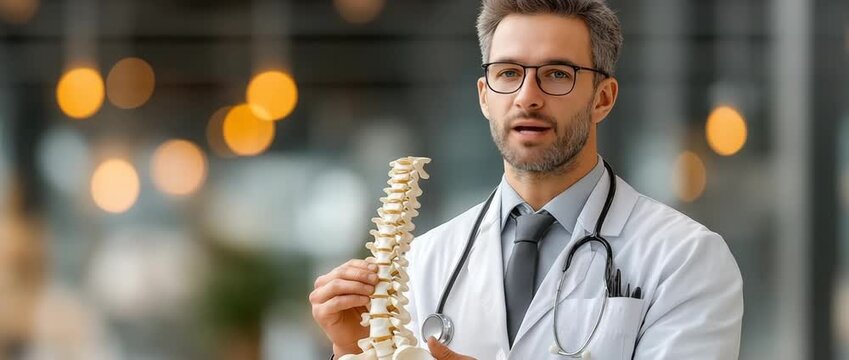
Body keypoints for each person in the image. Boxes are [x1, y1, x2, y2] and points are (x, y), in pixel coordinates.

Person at [310, 0, 744, 358]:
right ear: (484, 97)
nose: (527, 97)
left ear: (603, 98)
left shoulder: (685, 259)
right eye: (508, 73)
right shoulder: (423, 263)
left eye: (557, 74)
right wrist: (352, 348)